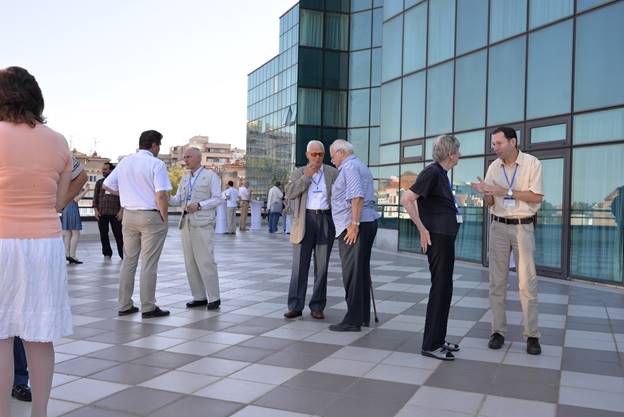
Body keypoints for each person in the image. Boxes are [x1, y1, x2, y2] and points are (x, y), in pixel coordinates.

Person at [0, 66, 73, 417]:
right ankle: (39, 413)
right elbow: (65, 191)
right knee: (40, 336)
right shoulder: (57, 140)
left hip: (1, 241)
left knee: (0, 336)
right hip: (45, 243)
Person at [471, 126, 544, 355]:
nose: (495, 148)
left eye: (499, 143)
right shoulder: (494, 166)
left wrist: (505, 192)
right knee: (497, 283)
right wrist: (486, 193)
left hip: (523, 226)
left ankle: (532, 335)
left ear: (513, 142)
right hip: (498, 226)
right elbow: (492, 202)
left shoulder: (532, 163)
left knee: (527, 283)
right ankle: (497, 331)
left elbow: (536, 196)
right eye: (493, 144)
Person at [401, 135, 462, 361]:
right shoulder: (432, 172)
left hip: (444, 237)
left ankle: (438, 338)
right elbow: (407, 198)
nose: (460, 155)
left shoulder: (441, 174)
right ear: (450, 154)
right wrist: (422, 229)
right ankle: (430, 344)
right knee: (440, 289)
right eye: (458, 151)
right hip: (437, 238)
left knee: (445, 289)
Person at [104, 130, 172, 319]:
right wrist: (165, 217)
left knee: (129, 261)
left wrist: (126, 194)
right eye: (159, 146)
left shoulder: (125, 161)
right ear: (154, 146)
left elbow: (106, 185)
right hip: (150, 216)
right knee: (149, 263)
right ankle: (148, 307)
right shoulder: (156, 164)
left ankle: (124, 304)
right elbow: (161, 194)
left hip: (129, 216)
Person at [283, 140, 339, 320]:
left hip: (325, 219)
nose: (317, 157)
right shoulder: (299, 172)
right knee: (299, 266)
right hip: (304, 220)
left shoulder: (332, 172)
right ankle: (295, 305)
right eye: (313, 154)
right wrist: (306, 176)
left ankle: (317, 305)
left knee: (322, 267)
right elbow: (290, 192)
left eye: (320, 154)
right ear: (307, 155)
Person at [328, 139, 379, 332]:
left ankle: (353, 320)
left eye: (333, 156)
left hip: (355, 225)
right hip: (366, 222)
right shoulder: (360, 165)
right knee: (361, 271)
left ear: (341, 152)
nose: (333, 161)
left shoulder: (349, 167)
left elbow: (357, 196)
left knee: (352, 273)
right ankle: (362, 315)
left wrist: (354, 225)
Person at [170, 148, 223, 310]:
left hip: (203, 223)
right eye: (184, 157)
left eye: (188, 157)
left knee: (206, 260)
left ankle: (214, 297)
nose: (185, 160)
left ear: (199, 158)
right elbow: (178, 199)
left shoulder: (211, 176)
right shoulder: (185, 179)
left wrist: (199, 205)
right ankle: (199, 296)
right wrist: (165, 195)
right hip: (186, 222)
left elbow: (217, 198)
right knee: (190, 262)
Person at [93, 162, 124, 259]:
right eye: (103, 169)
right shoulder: (99, 183)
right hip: (102, 213)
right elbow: (95, 197)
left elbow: (123, 197)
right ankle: (107, 253)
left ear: (111, 170)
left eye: (105, 169)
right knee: (103, 235)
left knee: (119, 235)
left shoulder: (118, 182)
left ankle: (122, 254)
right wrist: (96, 210)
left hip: (116, 213)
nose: (103, 171)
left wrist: (121, 211)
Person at [61, 185, 89, 264]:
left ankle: (67, 254)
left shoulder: (66, 185)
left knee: (68, 234)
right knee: (76, 233)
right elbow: (75, 199)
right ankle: (72, 256)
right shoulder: (73, 185)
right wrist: (86, 191)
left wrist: (81, 190)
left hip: (66, 209)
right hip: (72, 209)